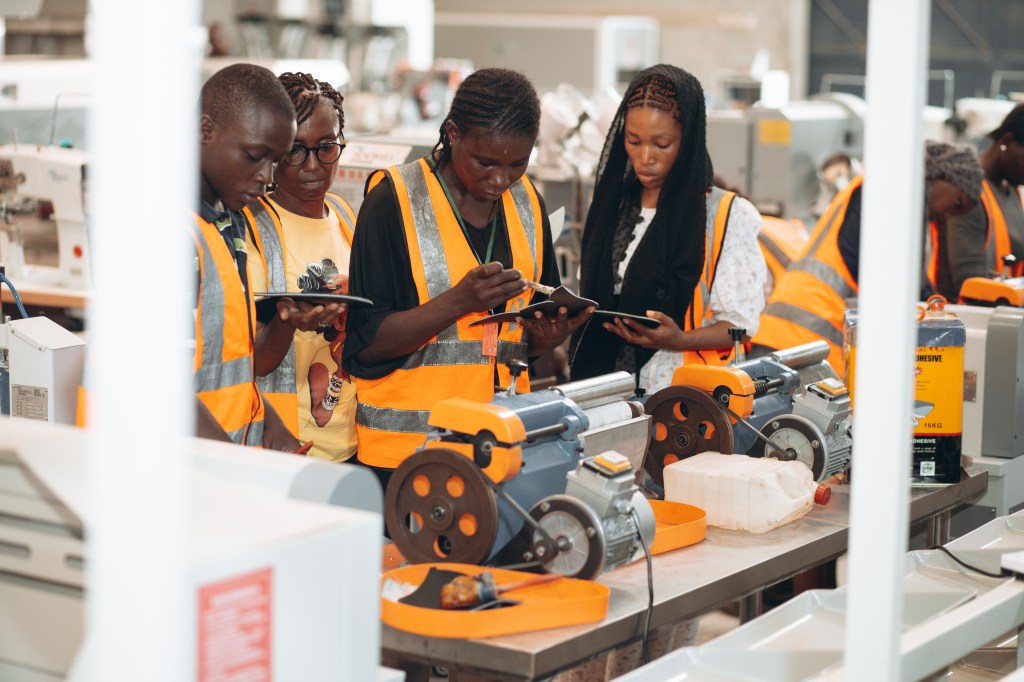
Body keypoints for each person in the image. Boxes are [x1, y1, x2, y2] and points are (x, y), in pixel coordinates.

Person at [342, 67, 590, 483]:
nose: (500, 179)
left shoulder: (528, 202)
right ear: (454, 134)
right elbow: (365, 347)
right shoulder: (393, 201)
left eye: (518, 163)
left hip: (501, 443)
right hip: (409, 454)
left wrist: (546, 339)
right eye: (485, 162)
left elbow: (515, 341)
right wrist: (458, 302)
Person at [569, 64, 767, 395]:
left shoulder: (726, 216)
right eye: (633, 141)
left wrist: (680, 339)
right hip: (606, 391)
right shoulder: (612, 207)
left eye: (661, 144)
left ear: (687, 141)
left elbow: (741, 325)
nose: (645, 157)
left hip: (685, 396)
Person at [752, 140, 982, 378]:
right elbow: (902, 280)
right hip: (805, 338)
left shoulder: (881, 187)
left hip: (792, 335)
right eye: (957, 203)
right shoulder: (895, 191)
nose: (947, 215)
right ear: (943, 177)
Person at [192, 63, 309, 450]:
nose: (267, 177)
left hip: (210, 461)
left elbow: (230, 371)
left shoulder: (226, 224)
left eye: (276, 161)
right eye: (255, 155)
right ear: (205, 131)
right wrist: (236, 469)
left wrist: (270, 425)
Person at [243, 71, 357, 462]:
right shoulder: (252, 229)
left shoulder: (344, 215)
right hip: (287, 445)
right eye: (295, 150)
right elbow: (254, 361)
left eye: (326, 147)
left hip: (352, 438)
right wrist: (289, 320)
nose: (312, 165)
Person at [929, 104, 1024, 300]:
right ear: (1006, 141)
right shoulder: (967, 195)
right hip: (969, 314)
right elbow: (968, 279)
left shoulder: (1012, 191)